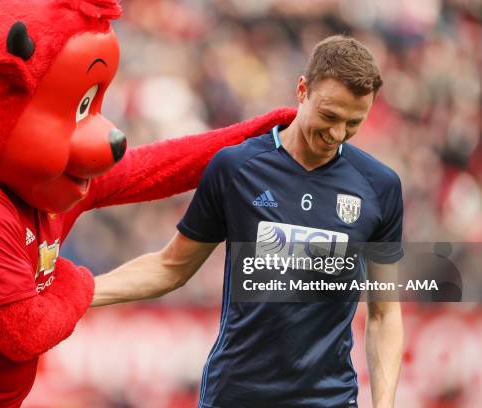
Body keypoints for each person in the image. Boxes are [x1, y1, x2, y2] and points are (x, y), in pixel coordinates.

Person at [92, 35, 404, 408]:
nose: (337, 134)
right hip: (235, 396)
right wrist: (76, 294)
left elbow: (385, 313)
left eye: (354, 123)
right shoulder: (236, 168)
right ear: (302, 90)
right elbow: (170, 268)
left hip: (329, 399)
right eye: (329, 116)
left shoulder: (379, 187)